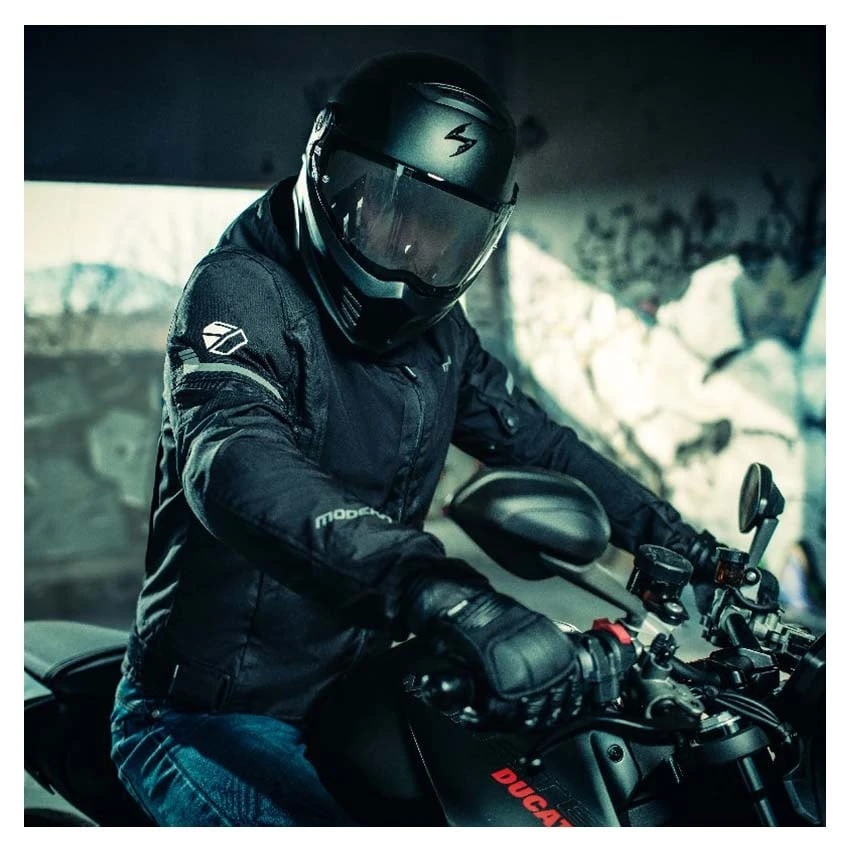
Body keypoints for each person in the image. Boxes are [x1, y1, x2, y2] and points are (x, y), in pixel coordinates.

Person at [110, 51, 720, 827]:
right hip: (210, 714)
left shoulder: (440, 335)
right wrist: (436, 589)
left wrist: (677, 540)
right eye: (388, 211)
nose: (408, 255)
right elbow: (233, 459)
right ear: (328, 180)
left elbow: (535, 441)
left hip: (360, 682)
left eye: (442, 232)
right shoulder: (241, 289)